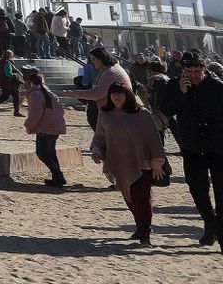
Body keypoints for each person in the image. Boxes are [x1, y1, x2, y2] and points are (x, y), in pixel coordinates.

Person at [90, 82, 167, 246]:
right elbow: (99, 137)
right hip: (119, 163)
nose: (117, 97)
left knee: (143, 198)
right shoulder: (104, 114)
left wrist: (157, 162)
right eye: (113, 94)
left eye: (121, 94)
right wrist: (97, 150)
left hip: (143, 162)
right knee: (129, 197)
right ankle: (141, 227)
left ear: (128, 95)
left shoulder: (141, 114)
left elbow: (153, 139)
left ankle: (144, 235)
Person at [160, 52, 223, 249]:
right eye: (189, 71)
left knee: (221, 192)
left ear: (204, 69)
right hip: (191, 147)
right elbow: (166, 110)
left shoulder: (217, 86)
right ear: (183, 70)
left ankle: (219, 231)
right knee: (197, 190)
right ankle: (209, 224)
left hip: (217, 147)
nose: (193, 75)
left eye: (197, 71)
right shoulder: (174, 85)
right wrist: (180, 92)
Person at [64, 46, 132, 131]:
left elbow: (97, 94)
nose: (92, 62)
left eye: (93, 59)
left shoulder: (110, 72)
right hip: (115, 112)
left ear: (101, 58)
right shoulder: (111, 69)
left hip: (115, 113)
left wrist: (73, 93)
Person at [21, 67, 67, 188]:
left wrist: (28, 126)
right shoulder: (50, 93)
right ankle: (57, 177)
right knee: (51, 153)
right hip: (54, 127)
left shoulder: (35, 95)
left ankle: (58, 175)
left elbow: (35, 114)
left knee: (42, 153)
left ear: (29, 82)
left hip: (45, 128)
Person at [0, 49, 22, 116]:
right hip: (8, 81)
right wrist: (16, 76)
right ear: (10, 55)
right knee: (16, 96)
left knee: (5, 95)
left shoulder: (1, 61)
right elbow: (8, 74)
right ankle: (16, 112)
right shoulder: (7, 62)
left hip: (1, 81)